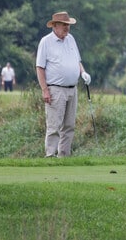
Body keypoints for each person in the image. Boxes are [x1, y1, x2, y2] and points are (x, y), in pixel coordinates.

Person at [36, 11, 91, 158]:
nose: (67, 28)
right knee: (54, 126)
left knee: (69, 126)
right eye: (64, 25)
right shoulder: (46, 42)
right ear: (55, 25)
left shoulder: (71, 39)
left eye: (69, 25)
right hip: (55, 89)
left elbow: (77, 61)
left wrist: (83, 73)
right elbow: (40, 67)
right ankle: (50, 155)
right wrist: (45, 90)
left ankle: (64, 156)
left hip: (72, 89)